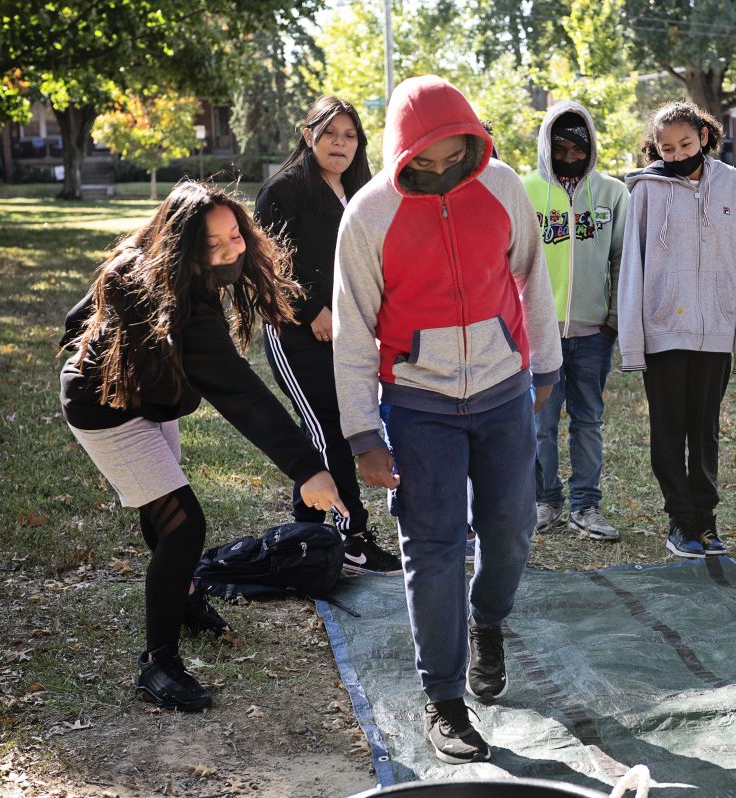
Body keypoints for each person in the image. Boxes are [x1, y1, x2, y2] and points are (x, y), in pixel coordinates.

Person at [332, 75, 561, 765]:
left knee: (512, 529)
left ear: (472, 139)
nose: (438, 171)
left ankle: (487, 620)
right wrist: (363, 434)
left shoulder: (504, 187)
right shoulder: (369, 215)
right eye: (421, 162)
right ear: (401, 153)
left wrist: (544, 366)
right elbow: (352, 332)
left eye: (451, 156)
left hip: (502, 390)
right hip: (418, 404)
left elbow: (532, 276)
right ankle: (445, 699)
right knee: (431, 550)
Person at [59, 181, 347, 711]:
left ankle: (186, 601)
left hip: (149, 404)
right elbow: (242, 395)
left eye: (234, 236)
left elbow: (74, 319)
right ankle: (157, 666)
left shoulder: (171, 268)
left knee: (163, 511)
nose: (230, 251)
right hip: (104, 411)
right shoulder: (171, 297)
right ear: (181, 246)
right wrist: (309, 468)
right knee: (184, 523)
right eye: (212, 247)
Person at [255, 95, 401, 576]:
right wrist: (311, 309)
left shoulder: (361, 189)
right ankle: (352, 536)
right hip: (298, 331)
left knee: (329, 426)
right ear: (308, 136)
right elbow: (270, 263)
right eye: (331, 134)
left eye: (350, 136)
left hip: (350, 331)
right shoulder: (285, 189)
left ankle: (310, 530)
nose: (340, 144)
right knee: (330, 429)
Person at [617, 100, 736, 560]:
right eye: (667, 147)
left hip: (714, 330)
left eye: (685, 143)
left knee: (705, 432)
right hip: (663, 331)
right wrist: (633, 344)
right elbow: (632, 269)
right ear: (655, 149)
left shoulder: (733, 184)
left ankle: (707, 521)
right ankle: (680, 521)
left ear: (703, 135)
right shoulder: (644, 192)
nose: (678, 154)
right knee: (668, 430)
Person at [522, 101, 630, 542]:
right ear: (547, 146)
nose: (569, 157)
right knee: (540, 423)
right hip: (538, 335)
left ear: (591, 148)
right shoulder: (523, 189)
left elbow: (624, 258)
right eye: (560, 148)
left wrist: (614, 319)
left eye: (577, 149)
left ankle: (586, 505)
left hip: (593, 334)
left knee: (588, 420)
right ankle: (544, 500)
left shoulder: (612, 194)